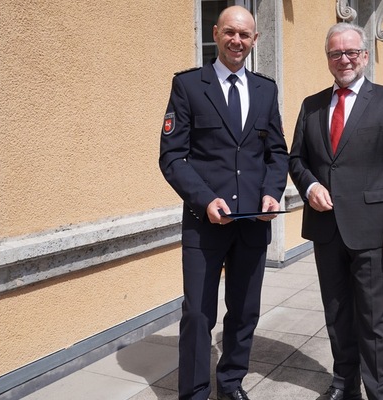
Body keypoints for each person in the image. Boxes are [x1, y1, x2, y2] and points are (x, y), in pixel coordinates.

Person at [158, 6, 288, 400]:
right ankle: (195, 393)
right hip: (204, 222)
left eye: (245, 35)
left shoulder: (266, 90)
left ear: (255, 40)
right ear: (216, 33)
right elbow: (171, 156)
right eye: (230, 32)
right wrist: (204, 199)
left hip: (252, 222)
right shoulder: (189, 86)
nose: (237, 41)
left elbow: (277, 153)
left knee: (245, 311)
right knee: (198, 314)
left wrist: (271, 191)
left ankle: (230, 384)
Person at [288, 23, 383, 400]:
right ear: (327, 58)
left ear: (364, 55)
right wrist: (310, 186)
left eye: (350, 52)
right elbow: (297, 158)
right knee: (337, 315)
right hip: (327, 232)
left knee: (375, 322)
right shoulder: (311, 105)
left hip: (374, 233)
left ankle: (379, 393)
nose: (343, 59)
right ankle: (345, 384)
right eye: (335, 53)